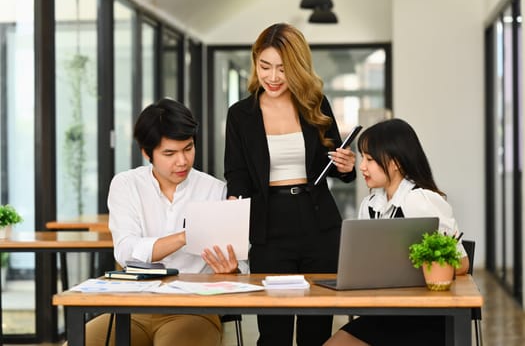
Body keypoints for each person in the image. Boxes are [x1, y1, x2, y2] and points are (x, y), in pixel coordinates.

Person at [224, 23, 357, 346]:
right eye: (265, 66)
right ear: (255, 63)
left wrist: (348, 166)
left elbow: (337, 164)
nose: (272, 77)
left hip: (320, 225)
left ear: (297, 68)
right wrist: (233, 208)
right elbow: (237, 174)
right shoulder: (241, 115)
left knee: (316, 330)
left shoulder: (315, 104)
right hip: (270, 228)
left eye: (282, 69)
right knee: (274, 333)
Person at [80, 98, 248, 346]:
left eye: (188, 149)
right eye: (169, 153)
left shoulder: (215, 191)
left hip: (193, 309)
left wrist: (230, 270)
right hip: (132, 307)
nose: (182, 161)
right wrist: (186, 235)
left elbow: (242, 269)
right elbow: (126, 252)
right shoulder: (126, 185)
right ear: (147, 153)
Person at [323, 118, 469, 346]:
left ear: (396, 163)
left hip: (425, 316)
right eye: (363, 159)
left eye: (370, 160)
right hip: (386, 313)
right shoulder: (370, 204)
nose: (362, 167)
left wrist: (416, 268)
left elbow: (461, 264)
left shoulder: (421, 201)